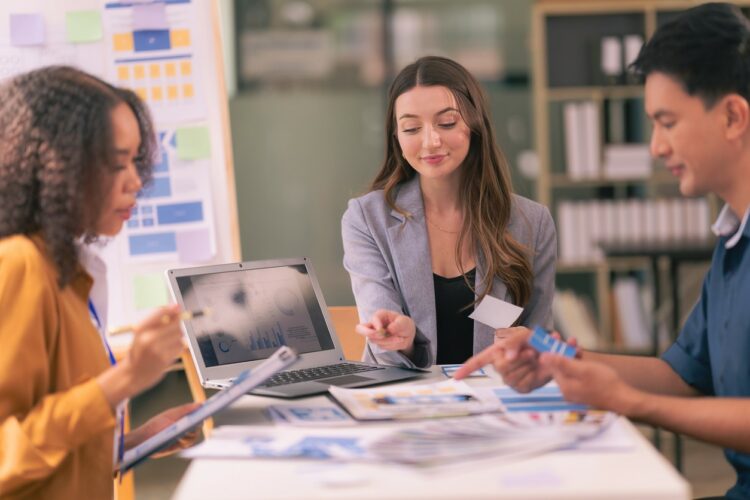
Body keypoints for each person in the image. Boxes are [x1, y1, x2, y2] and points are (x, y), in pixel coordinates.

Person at [456, 4, 750, 498]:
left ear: (732, 116)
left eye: (668, 122)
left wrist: (627, 401)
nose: (655, 147)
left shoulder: (524, 218)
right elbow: (683, 376)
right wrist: (558, 360)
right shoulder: (733, 244)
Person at [0, 66, 198, 499]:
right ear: (55, 166)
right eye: (116, 164)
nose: (135, 182)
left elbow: (52, 450)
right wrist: (126, 378)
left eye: (135, 161)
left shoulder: (67, 269)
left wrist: (139, 440)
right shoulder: (19, 265)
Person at [341, 56, 557, 368]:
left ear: (475, 123)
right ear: (397, 137)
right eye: (412, 128)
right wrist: (401, 339)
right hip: (404, 401)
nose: (430, 141)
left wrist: (530, 345)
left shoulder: (531, 222)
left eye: (446, 123)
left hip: (496, 401)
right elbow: (381, 335)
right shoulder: (366, 218)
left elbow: (542, 339)